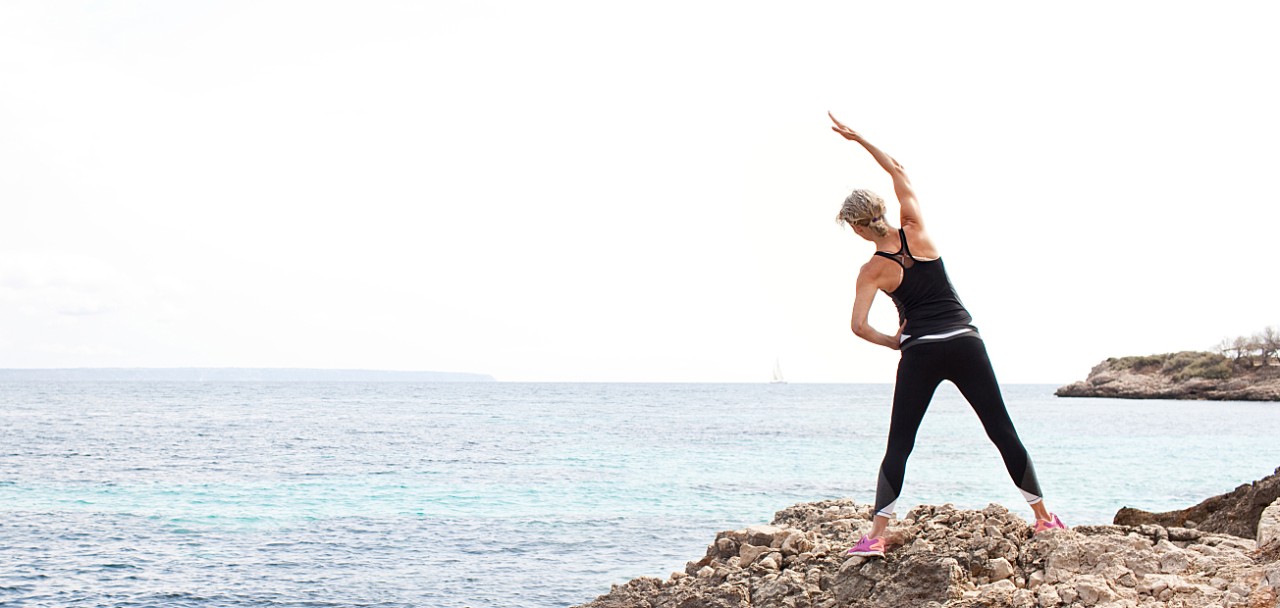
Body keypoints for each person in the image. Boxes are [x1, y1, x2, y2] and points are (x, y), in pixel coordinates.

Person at [827, 112, 1066, 558]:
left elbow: (858, 327)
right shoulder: (916, 228)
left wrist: (893, 341)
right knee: (1001, 430)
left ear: (858, 227)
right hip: (965, 342)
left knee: (900, 444)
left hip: (920, 351)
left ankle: (876, 537)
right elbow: (898, 169)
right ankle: (1043, 518)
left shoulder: (871, 271)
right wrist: (860, 138)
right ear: (881, 210)